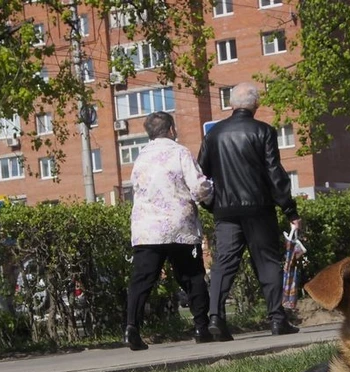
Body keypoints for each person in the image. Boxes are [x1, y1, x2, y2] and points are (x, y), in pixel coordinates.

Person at [197, 82, 301, 341]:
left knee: (223, 264)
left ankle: (215, 318)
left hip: (225, 211)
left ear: (232, 104)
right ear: (256, 104)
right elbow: (274, 173)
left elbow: (201, 175)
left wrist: (210, 204)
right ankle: (277, 319)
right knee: (267, 262)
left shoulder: (214, 134)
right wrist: (289, 209)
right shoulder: (263, 131)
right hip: (259, 208)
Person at [124, 111, 213, 351]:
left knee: (142, 280)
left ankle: (132, 327)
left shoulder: (140, 157)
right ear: (171, 129)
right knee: (192, 276)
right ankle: (201, 327)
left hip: (147, 230)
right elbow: (198, 187)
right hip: (179, 227)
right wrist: (210, 194)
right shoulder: (180, 152)